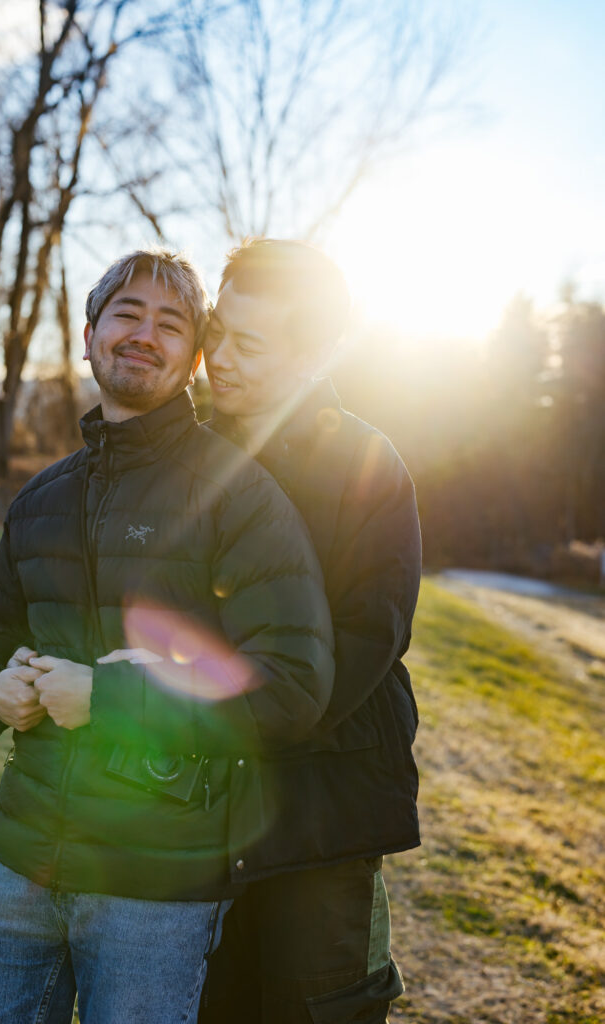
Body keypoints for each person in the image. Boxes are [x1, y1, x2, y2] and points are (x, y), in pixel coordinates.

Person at [0, 249, 335, 1024]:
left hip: (156, 882)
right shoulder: (39, 498)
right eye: (126, 313)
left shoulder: (239, 495)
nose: (144, 335)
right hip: (17, 860)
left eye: (170, 324)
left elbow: (291, 685)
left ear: (193, 360)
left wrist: (109, 697)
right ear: (88, 336)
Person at [199, 239, 422, 1023]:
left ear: (308, 355)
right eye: (216, 331)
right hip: (196, 806)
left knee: (317, 1007)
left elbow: (370, 632)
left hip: (325, 803)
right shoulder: (180, 452)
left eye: (248, 343)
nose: (219, 358)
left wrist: (249, 717)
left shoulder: (366, 463)